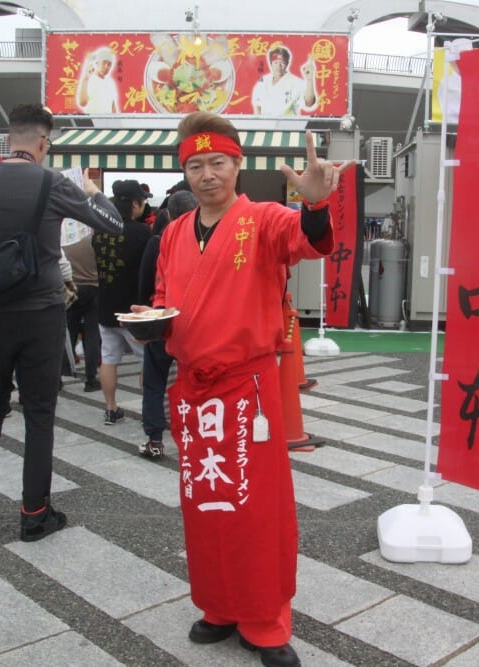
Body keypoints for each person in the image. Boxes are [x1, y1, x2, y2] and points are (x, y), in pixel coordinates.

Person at [133, 111, 350, 667]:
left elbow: (310, 241)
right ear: (185, 172)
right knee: (204, 502)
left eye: (219, 163)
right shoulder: (175, 232)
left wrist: (317, 203)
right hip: (193, 388)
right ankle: (219, 605)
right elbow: (164, 295)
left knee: (255, 507)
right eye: (197, 165)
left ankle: (264, 620)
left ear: (238, 165)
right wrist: (152, 316)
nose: (208, 175)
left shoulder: (265, 220)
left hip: (247, 389)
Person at [0, 104, 124, 542]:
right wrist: (93, 190)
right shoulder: (51, 182)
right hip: (41, 313)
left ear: (9, 137)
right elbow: (113, 226)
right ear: (43, 142)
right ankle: (34, 513)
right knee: (38, 413)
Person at [136, 190, 198, 459]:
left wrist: (145, 321)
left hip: (161, 320)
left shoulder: (158, 241)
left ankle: (155, 440)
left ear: (169, 214)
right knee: (196, 381)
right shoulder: (209, 241)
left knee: (154, 382)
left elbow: (144, 285)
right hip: (195, 325)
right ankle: (197, 434)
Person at [93, 179, 152, 425]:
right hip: (134, 310)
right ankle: (148, 408)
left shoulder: (99, 232)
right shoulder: (141, 233)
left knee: (108, 359)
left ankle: (110, 408)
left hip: (105, 306)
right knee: (145, 360)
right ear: (135, 204)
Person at [63, 232, 102, 392]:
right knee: (92, 333)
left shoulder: (64, 239)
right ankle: (91, 379)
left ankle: (60, 376)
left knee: (68, 332)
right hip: (93, 288)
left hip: (72, 288)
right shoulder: (93, 238)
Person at [252, 45, 318, 116]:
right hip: (266, 125)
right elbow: (257, 103)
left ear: (287, 63)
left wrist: (309, 79)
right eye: (275, 62)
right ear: (271, 63)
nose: (278, 66)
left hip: (288, 125)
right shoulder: (263, 80)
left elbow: (309, 102)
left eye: (282, 63)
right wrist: (258, 123)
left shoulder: (295, 82)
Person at [76, 47, 119, 114]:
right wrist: (85, 79)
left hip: (108, 123)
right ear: (97, 63)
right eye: (104, 63)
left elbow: (113, 106)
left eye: (109, 64)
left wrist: (117, 122)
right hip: (93, 121)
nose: (106, 67)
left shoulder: (110, 82)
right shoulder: (90, 79)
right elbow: (82, 103)